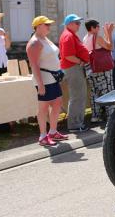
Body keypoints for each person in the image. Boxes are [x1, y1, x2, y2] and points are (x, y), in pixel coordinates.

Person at [27, 16, 68, 146]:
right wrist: (40, 85)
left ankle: (53, 131)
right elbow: (34, 65)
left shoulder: (44, 39)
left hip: (53, 78)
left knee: (57, 103)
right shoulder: (34, 42)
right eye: (46, 25)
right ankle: (43, 136)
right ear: (38, 26)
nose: (49, 27)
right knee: (43, 108)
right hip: (44, 79)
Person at [59, 14, 90, 133]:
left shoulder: (70, 35)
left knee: (78, 96)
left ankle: (76, 123)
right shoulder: (68, 36)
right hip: (73, 68)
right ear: (69, 24)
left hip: (73, 67)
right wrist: (80, 61)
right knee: (77, 96)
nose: (79, 25)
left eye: (79, 23)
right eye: (76, 23)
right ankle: (75, 125)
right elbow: (68, 55)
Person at [83, 19, 115, 123]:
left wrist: (106, 34)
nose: (98, 28)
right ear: (92, 28)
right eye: (97, 26)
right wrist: (109, 33)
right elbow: (110, 47)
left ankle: (95, 116)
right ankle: (111, 116)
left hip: (90, 68)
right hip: (102, 69)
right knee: (107, 90)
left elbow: (103, 45)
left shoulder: (85, 38)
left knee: (94, 92)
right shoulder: (96, 37)